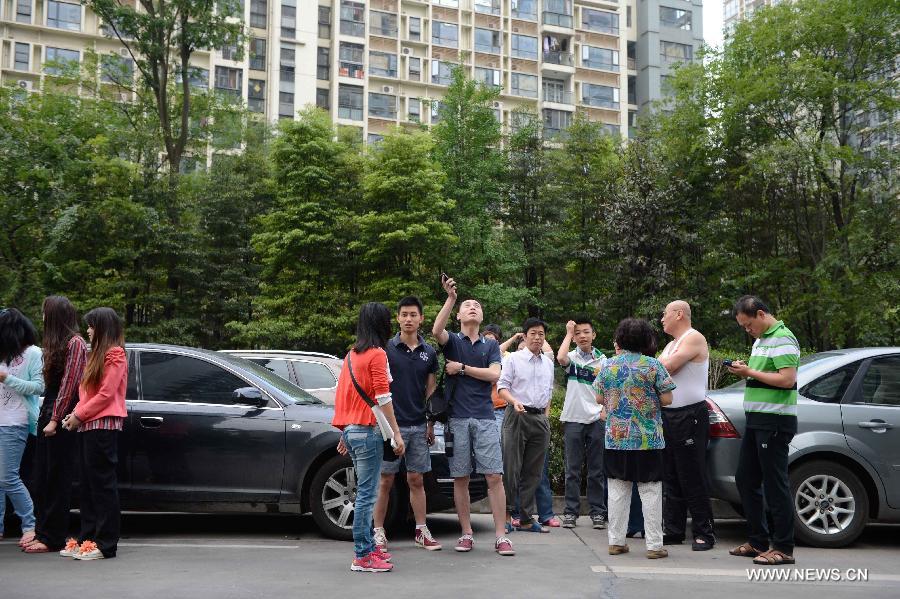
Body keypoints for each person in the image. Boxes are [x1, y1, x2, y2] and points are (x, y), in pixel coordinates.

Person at [432, 274, 513, 556]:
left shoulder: (490, 345)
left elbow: (495, 374)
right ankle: (466, 533)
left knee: (494, 477)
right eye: (467, 305)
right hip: (457, 418)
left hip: (485, 417)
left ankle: (502, 536)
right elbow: (435, 330)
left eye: (476, 305)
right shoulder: (452, 340)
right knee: (461, 478)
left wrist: (463, 369)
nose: (473, 307)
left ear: (482, 315)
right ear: (459, 315)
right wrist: (452, 298)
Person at [333, 302, 406, 573]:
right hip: (368, 430)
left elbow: (343, 395)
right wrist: (396, 433)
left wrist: (344, 431)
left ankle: (368, 550)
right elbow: (382, 397)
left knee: (364, 492)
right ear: (382, 323)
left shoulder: (351, 355)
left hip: (353, 430)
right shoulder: (377, 354)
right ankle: (363, 555)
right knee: (366, 495)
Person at [727, 295, 800, 566]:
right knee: (745, 478)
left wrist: (750, 373)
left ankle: (783, 547)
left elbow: (786, 379)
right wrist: (745, 371)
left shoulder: (783, 337)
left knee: (775, 483)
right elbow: (763, 375)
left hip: (775, 421)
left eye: (748, 325)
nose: (748, 331)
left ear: (760, 314)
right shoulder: (762, 340)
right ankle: (758, 540)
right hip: (757, 419)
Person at [593, 319, 675, 560]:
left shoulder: (608, 366)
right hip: (648, 438)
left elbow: (599, 398)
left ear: (620, 339)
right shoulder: (653, 365)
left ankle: (616, 542)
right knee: (650, 490)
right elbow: (668, 399)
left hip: (616, 438)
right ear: (646, 340)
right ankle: (654, 545)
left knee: (618, 489)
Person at [372, 296, 441, 552]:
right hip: (390, 427)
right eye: (404, 314)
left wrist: (430, 423)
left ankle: (421, 531)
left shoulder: (429, 352)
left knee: (416, 480)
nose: (409, 319)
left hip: (418, 425)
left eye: (413, 314)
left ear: (421, 318)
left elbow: (431, 389)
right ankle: (378, 532)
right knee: (385, 480)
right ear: (398, 318)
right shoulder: (385, 350)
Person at [59, 308, 127, 560]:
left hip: (104, 425)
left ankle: (106, 544)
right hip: (89, 424)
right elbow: (86, 394)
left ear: (102, 327)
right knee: (87, 486)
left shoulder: (115, 354)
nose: (87, 330)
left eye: (91, 326)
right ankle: (88, 539)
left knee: (102, 486)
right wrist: (74, 414)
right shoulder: (95, 355)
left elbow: (107, 394)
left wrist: (79, 415)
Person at [23, 296, 87, 554]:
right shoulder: (55, 344)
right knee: (42, 478)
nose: (41, 317)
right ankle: (42, 531)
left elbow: (69, 386)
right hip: (48, 411)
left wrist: (53, 420)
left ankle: (53, 536)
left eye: (44, 312)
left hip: (60, 416)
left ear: (54, 316)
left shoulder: (76, 343)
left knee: (57, 478)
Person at [658, 300, 715, 550]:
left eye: (665, 314)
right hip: (669, 415)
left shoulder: (694, 338)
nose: (662, 319)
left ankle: (704, 532)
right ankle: (673, 530)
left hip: (690, 415)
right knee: (671, 474)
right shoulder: (671, 343)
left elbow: (665, 368)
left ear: (679, 314)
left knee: (692, 473)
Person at [499, 318, 555, 534]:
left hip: (539, 418)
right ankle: (505, 516)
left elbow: (548, 392)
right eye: (533, 333)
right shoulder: (513, 359)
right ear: (524, 335)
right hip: (516, 415)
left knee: (534, 471)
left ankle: (525, 517)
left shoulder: (548, 363)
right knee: (511, 468)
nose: (537, 338)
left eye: (541, 334)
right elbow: (502, 387)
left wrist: (545, 417)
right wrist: (514, 402)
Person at [556, 317, 608, 530]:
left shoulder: (603, 361)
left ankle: (598, 512)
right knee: (573, 470)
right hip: (573, 419)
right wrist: (568, 333)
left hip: (596, 419)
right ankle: (570, 512)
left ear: (593, 335)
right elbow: (560, 358)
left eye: (586, 332)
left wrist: (605, 410)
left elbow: (607, 390)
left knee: (597, 470)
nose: (582, 336)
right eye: (578, 333)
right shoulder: (571, 357)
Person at [0, 308, 43, 547]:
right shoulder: (1, 353)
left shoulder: (33, 353)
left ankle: (30, 525)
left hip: (16, 422)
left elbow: (38, 387)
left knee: (8, 478)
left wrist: (7, 378)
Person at [483, 324, 508, 433]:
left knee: (497, 442)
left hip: (499, 406)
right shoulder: (477, 354)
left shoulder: (507, 358)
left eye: (492, 339)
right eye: (485, 339)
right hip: (479, 407)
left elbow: (492, 379)